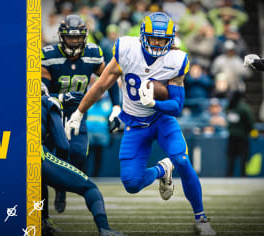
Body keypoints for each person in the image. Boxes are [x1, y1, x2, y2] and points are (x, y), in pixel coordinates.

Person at [65, 12, 216, 235]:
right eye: (153, 38)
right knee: (132, 184)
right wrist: (79, 112)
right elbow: (101, 86)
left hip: (161, 120)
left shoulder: (176, 60)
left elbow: (177, 106)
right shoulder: (127, 49)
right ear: (143, 35)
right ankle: (162, 169)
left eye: (162, 39)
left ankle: (201, 219)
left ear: (170, 39)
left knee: (182, 160)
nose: (156, 42)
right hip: (135, 123)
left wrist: (154, 102)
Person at [41, 15, 121, 213]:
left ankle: (61, 188)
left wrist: (116, 106)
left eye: (78, 38)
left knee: (78, 155)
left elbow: (108, 79)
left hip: (78, 112)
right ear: (61, 37)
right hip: (51, 113)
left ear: (84, 37)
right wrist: (61, 97)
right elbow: (39, 92)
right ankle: (50, 202)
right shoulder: (48, 55)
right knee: (52, 156)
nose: (75, 41)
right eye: (71, 37)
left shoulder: (94, 52)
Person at [40, 87, 124, 236]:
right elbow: (63, 145)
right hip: (35, 154)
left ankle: (43, 220)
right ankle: (104, 229)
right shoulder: (48, 101)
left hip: (4, 156)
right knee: (89, 188)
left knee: (39, 183)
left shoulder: (11, 104)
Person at [226, 91, 254, 177]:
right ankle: (243, 175)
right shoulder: (245, 107)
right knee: (243, 157)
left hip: (232, 136)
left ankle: (229, 175)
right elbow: (250, 122)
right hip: (242, 136)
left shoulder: (230, 106)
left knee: (231, 157)